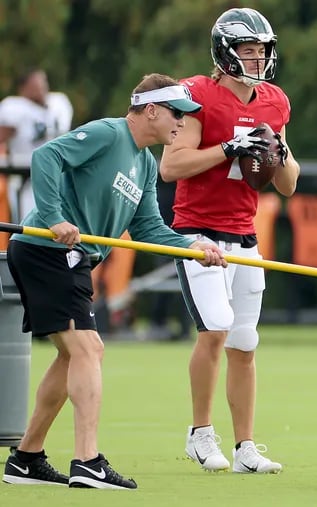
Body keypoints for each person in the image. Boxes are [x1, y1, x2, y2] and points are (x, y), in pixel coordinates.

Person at [1, 73, 227, 490]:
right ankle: (87, 462)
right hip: (47, 250)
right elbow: (46, 157)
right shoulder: (109, 133)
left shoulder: (143, 165)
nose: (182, 124)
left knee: (74, 354)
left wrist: (194, 245)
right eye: (178, 114)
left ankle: (27, 458)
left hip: (71, 259)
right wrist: (53, 218)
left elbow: (148, 230)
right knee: (89, 348)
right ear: (152, 110)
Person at [160, 7, 300, 474]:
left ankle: (246, 448)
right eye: (248, 50)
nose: (257, 59)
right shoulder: (198, 95)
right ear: (226, 51)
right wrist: (227, 149)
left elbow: (289, 184)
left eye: (262, 51)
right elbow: (171, 166)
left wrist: (278, 154)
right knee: (216, 330)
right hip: (197, 233)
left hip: (244, 234)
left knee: (244, 341)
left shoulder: (273, 102)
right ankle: (199, 433)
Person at [0, 68, 73, 222]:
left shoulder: (59, 102)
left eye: (42, 82)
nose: (40, 88)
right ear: (23, 88)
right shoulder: (13, 107)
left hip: (59, 173)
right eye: (34, 85)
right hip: (28, 177)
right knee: (32, 222)